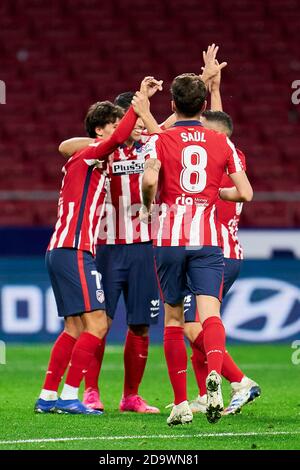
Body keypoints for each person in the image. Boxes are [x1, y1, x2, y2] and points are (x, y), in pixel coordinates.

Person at [139, 51, 253, 425]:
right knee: (210, 316)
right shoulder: (224, 144)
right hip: (208, 239)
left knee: (173, 320)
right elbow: (246, 193)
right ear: (204, 105)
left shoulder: (161, 139)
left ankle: (182, 404)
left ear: (172, 104)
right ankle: (217, 377)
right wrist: (215, 196)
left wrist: (148, 203)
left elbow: (151, 179)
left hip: (171, 238)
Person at [35, 77, 159, 415]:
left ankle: (48, 397)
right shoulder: (91, 153)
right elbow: (96, 140)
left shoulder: (91, 158)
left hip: (64, 248)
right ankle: (73, 395)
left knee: (74, 326)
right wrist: (138, 104)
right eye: (115, 123)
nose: (121, 128)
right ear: (101, 130)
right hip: (78, 250)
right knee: (99, 324)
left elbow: (159, 134)